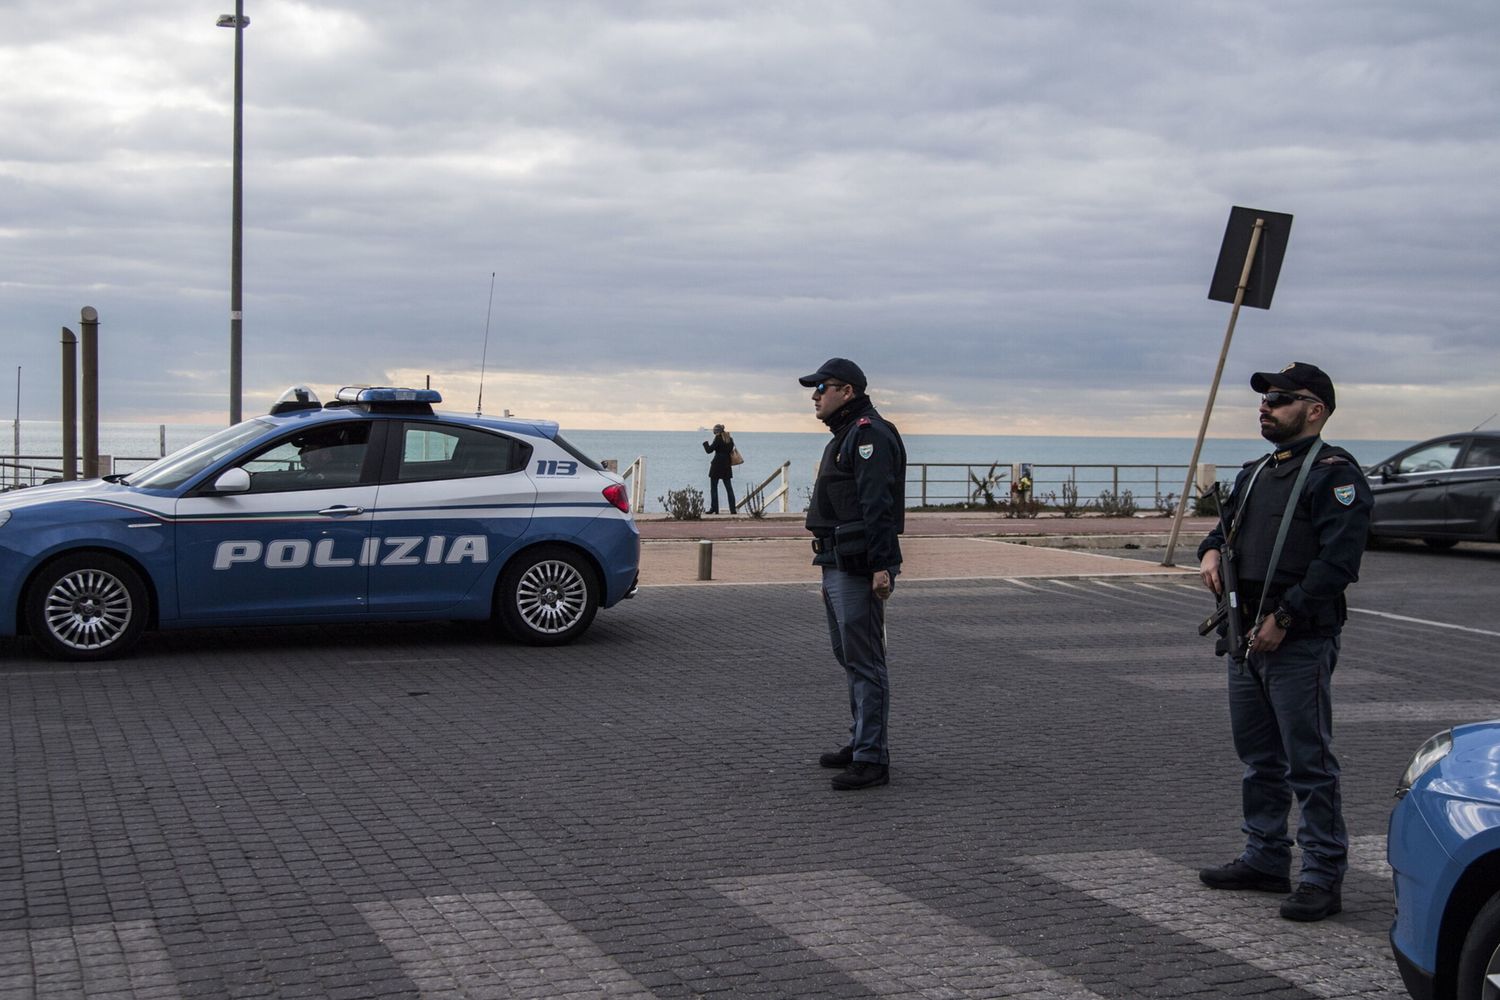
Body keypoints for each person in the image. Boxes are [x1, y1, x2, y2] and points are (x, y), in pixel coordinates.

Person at [1195, 362, 1373, 922]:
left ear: (1314, 410)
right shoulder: (1255, 472)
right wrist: (1208, 549)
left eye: (1280, 397)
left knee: (1309, 763)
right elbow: (1225, 529)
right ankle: (1266, 857)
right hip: (1244, 633)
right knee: (1258, 759)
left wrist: (1286, 619)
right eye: (1265, 397)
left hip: (1297, 639)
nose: (1265, 405)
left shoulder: (1335, 475)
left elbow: (1336, 564)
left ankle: (1322, 874)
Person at [800, 358, 906, 791]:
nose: (814, 396)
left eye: (821, 388)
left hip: (858, 564)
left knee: (866, 661)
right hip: (835, 560)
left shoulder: (868, 435)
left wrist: (881, 566)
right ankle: (860, 740)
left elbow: (877, 506)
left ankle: (871, 757)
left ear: (846, 391)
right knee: (850, 656)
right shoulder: (846, 435)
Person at [702, 424, 737, 514]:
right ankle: (733, 510)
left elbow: (709, 450)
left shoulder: (718, 439)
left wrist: (705, 443)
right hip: (726, 466)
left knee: (714, 488)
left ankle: (714, 509)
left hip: (717, 465)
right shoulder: (730, 439)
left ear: (716, 431)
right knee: (729, 489)